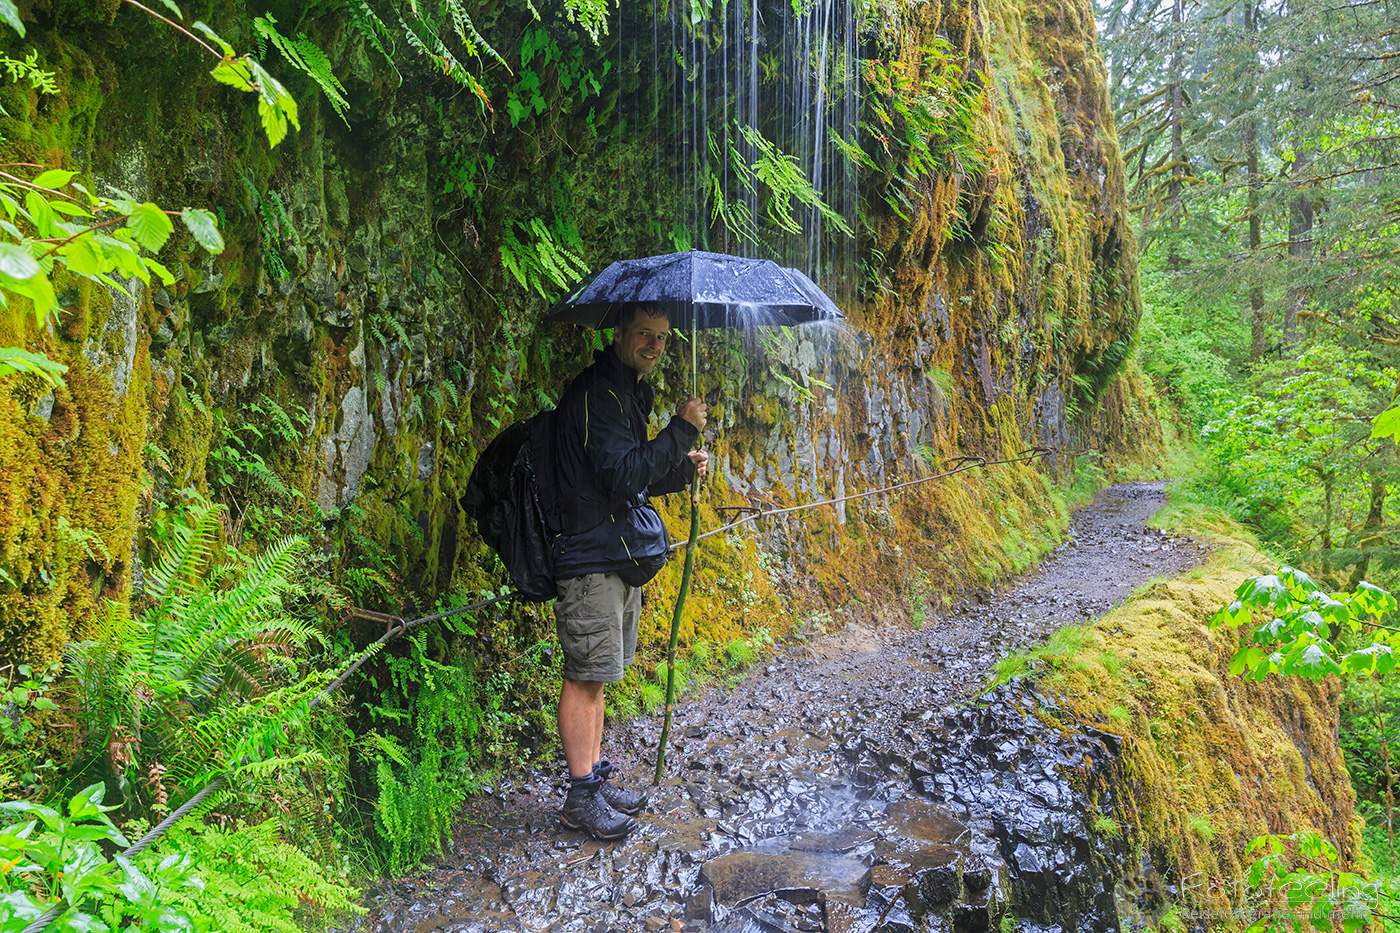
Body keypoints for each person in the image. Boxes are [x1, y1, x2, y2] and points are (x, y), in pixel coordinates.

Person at [546, 302, 708, 840]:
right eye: (644, 334)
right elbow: (619, 475)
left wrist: (680, 466)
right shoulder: (599, 393)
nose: (654, 346)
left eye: (662, 337)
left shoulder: (625, 392)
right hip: (588, 555)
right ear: (618, 335)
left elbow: (635, 477)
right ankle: (579, 797)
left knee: (602, 671)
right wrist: (680, 432)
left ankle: (592, 779)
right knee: (586, 674)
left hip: (611, 553)